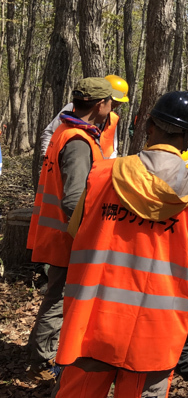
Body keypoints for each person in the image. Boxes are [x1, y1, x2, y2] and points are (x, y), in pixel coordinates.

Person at [51, 91, 188, 397]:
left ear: (148, 127)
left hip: (90, 320)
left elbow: (75, 232)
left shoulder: (101, 174)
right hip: (155, 330)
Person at [26, 77, 116, 382]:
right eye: (109, 103)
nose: (111, 108)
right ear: (100, 105)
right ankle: (43, 358)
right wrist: (87, 236)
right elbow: (74, 197)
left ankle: (41, 349)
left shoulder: (65, 130)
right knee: (60, 296)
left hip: (59, 230)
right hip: (68, 234)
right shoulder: (78, 141)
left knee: (57, 294)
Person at [40, 74, 129, 159]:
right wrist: (47, 157)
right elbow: (49, 133)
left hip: (97, 171)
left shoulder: (113, 119)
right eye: (114, 101)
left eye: (119, 102)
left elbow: (113, 149)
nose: (117, 105)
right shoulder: (72, 109)